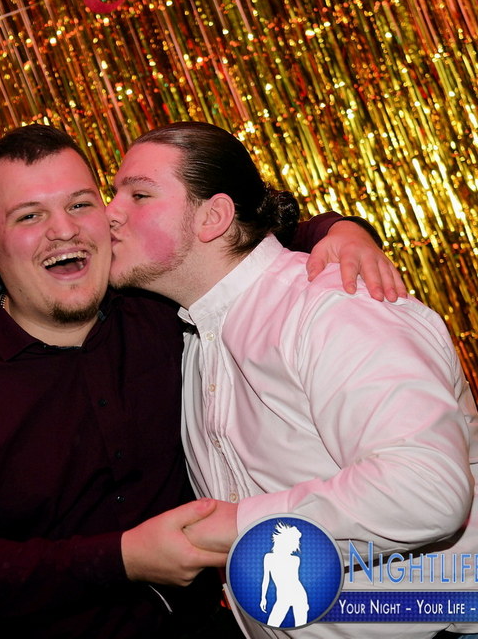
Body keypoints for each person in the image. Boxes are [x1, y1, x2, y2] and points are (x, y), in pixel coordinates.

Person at [0, 123, 402, 639]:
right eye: (29, 215)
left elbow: (248, 238)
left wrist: (343, 232)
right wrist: (123, 558)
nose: (63, 230)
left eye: (80, 204)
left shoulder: (157, 297)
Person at [105, 121, 478, 639]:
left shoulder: (332, 308)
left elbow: (426, 489)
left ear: (213, 217)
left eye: (139, 194)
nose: (109, 213)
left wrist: (238, 526)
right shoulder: (195, 338)